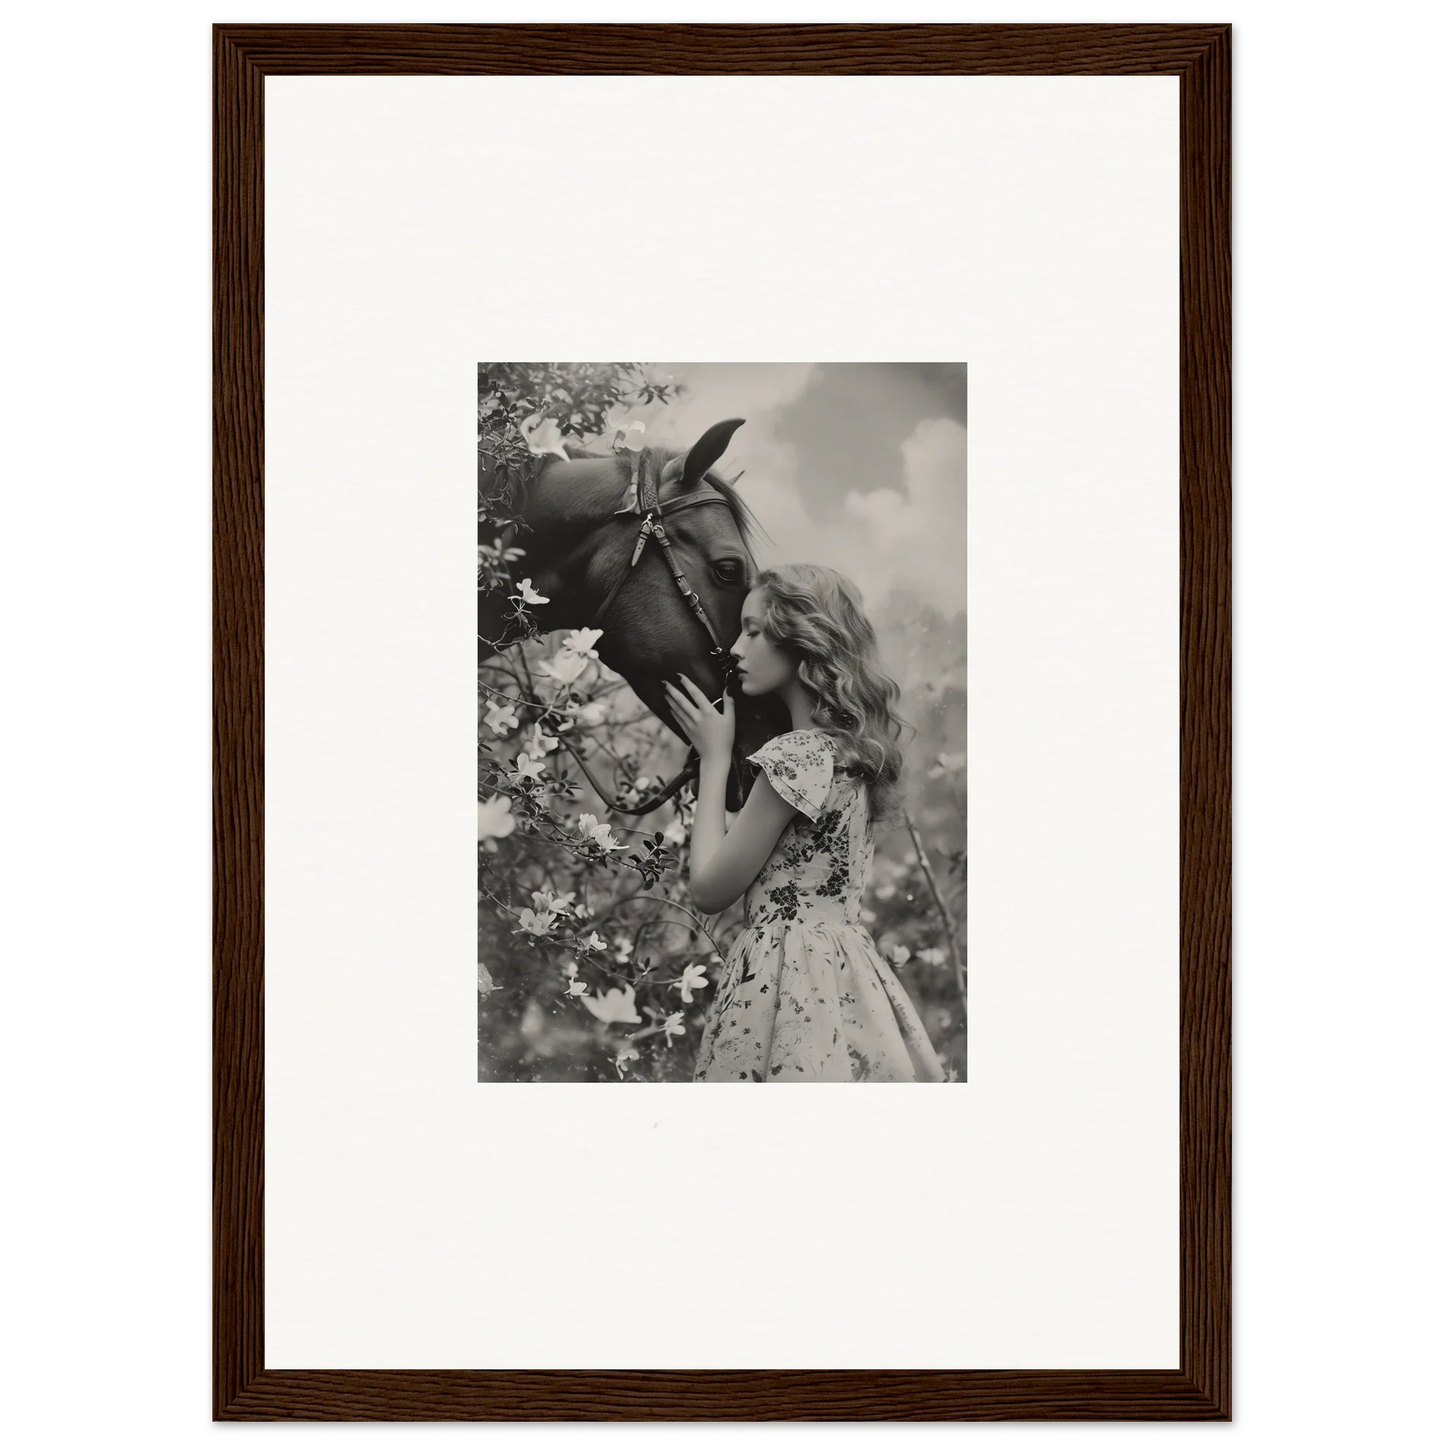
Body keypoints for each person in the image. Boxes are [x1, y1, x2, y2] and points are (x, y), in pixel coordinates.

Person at [663, 564, 946, 1083]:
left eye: (752, 630)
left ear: (802, 638)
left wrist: (714, 757)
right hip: (846, 974)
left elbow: (707, 890)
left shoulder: (795, 758)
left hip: (782, 979)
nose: (736, 649)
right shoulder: (851, 756)